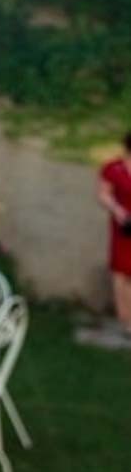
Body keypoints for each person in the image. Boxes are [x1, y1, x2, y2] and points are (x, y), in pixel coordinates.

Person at [97, 132, 131, 337]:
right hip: (124, 227)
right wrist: (119, 212)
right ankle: (126, 319)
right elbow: (103, 195)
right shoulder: (113, 169)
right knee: (121, 273)